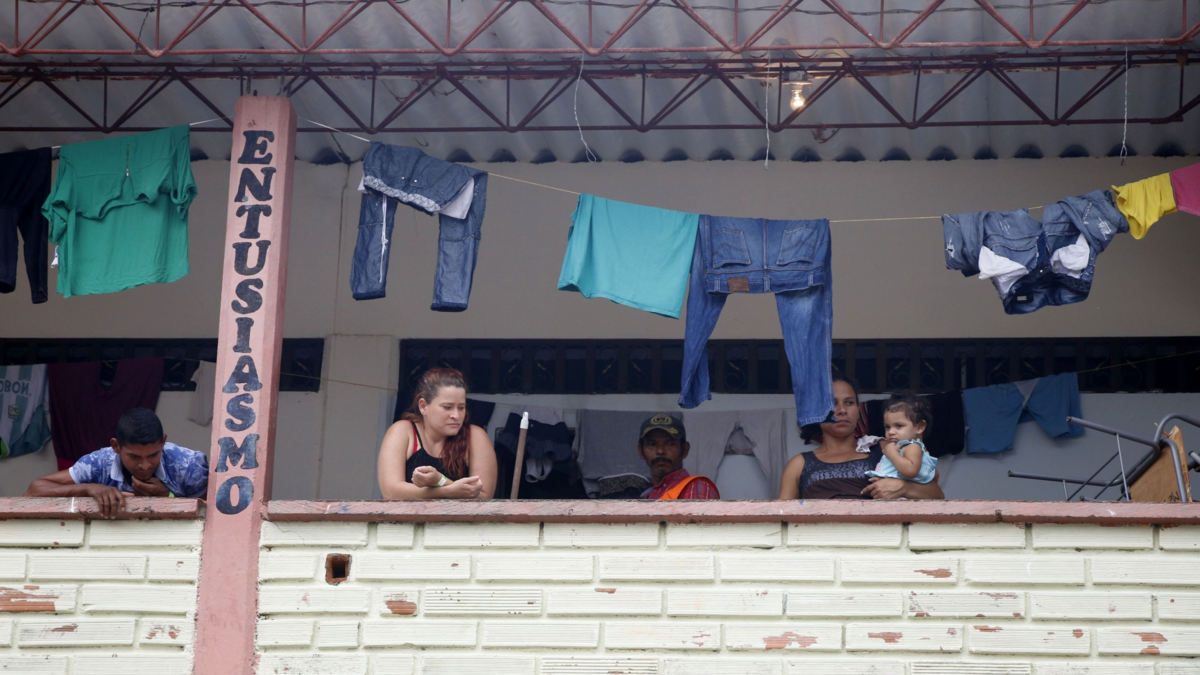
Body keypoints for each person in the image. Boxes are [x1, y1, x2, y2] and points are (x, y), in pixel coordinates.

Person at [778, 375, 945, 500]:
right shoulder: (799, 464)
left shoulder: (885, 448)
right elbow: (781, 519)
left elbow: (937, 495)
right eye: (832, 403)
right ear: (817, 412)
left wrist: (904, 488)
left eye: (849, 403)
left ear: (858, 409)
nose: (842, 410)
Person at [24, 408, 209, 518]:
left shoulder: (188, 465)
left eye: (153, 455)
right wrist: (89, 489)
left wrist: (168, 497)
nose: (145, 466)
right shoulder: (98, 463)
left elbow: (214, 519)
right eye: (134, 457)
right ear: (116, 446)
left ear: (163, 442)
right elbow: (34, 491)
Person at [377, 367, 498, 500]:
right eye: (447, 407)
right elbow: (390, 493)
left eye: (461, 407)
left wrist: (439, 480)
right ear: (423, 406)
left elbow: (484, 498)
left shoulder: (475, 436)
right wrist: (446, 490)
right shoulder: (403, 431)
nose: (456, 415)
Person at [637, 413, 719, 500]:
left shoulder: (695, 487)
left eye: (670, 444)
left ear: (685, 450)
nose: (660, 451)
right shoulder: (645, 495)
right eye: (652, 444)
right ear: (641, 451)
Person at [867, 392, 938, 485]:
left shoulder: (913, 447)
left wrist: (892, 453)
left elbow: (910, 471)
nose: (891, 432)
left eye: (898, 426)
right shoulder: (900, 447)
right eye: (887, 427)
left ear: (920, 427)